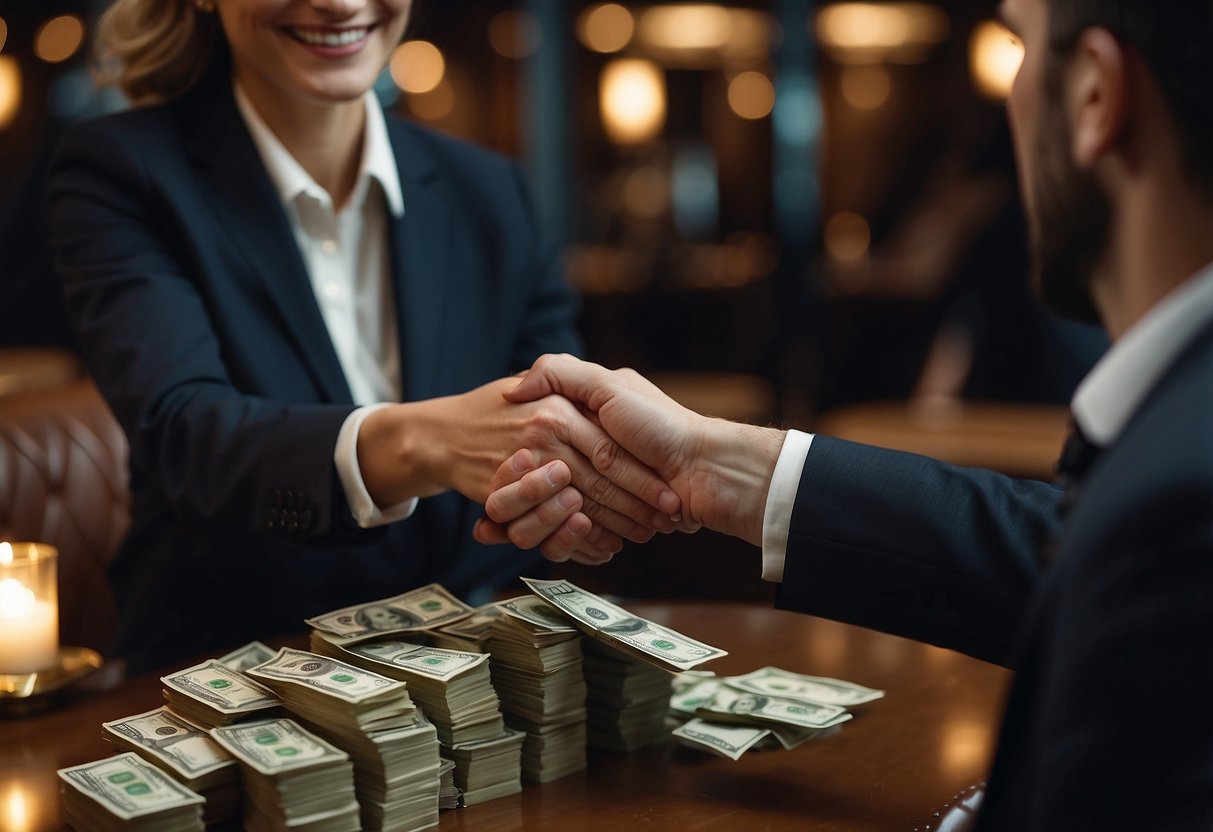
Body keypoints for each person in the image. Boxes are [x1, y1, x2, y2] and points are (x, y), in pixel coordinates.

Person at [477, 0, 1213, 828]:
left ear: (1092, 95)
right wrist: (715, 464)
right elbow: (1059, 563)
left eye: (1016, 45)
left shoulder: (1179, 495)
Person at [45, 0, 679, 674]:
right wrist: (423, 442)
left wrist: (566, 497)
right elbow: (185, 433)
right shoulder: (121, 172)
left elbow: (552, 433)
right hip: (228, 671)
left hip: (480, 679)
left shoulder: (492, 190)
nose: (342, 3)